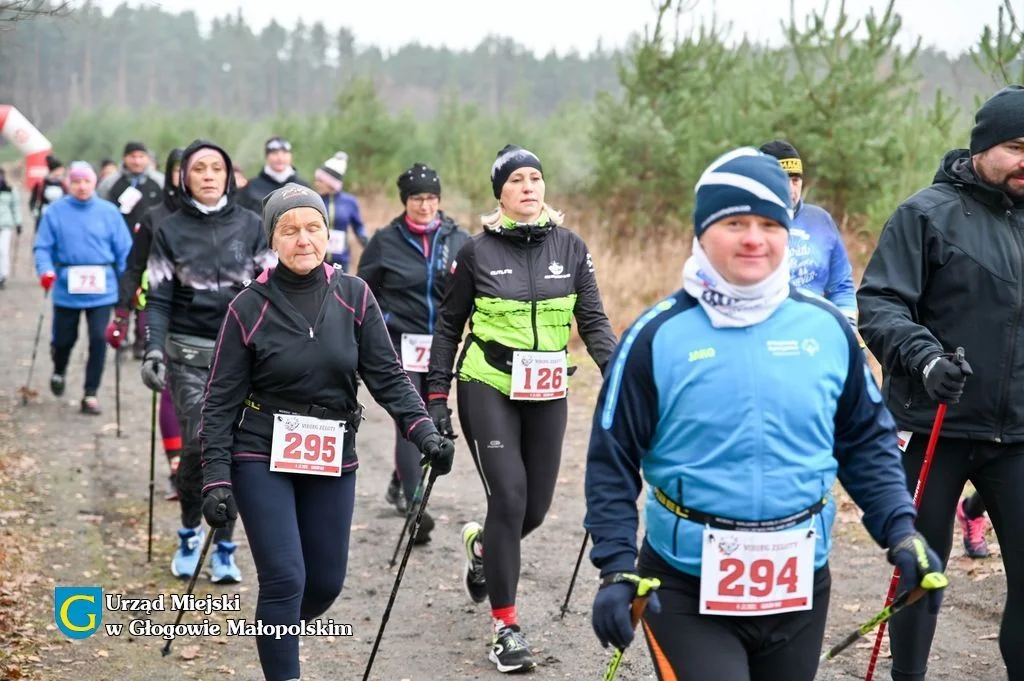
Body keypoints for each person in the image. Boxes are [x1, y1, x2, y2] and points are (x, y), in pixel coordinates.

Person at [584, 147, 947, 681]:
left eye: (769, 223)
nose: (754, 238)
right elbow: (611, 458)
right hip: (687, 588)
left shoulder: (826, 330)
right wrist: (616, 567)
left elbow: (864, 440)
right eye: (735, 222)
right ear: (703, 232)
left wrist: (900, 530)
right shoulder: (655, 336)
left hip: (799, 583)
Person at [198, 183, 455, 681]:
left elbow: (388, 376)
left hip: (331, 451)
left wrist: (425, 432)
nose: (303, 239)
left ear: (327, 234)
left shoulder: (354, 296)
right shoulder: (247, 307)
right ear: (272, 240)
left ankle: (275, 634)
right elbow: (219, 401)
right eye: (289, 230)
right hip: (260, 451)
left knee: (324, 583)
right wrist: (215, 479)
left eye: (313, 227)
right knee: (285, 578)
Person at [426, 144, 617, 673]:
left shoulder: (572, 247)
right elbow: (448, 326)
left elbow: (594, 322)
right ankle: (505, 628)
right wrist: (436, 397)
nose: (529, 186)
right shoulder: (475, 251)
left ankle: (484, 551)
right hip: (488, 382)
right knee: (509, 499)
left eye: (535, 177)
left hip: (549, 386)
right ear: (501, 194)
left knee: (534, 509)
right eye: (517, 180)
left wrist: (620, 374)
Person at [858, 85, 1024, 681]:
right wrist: (926, 360)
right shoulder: (925, 214)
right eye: (1015, 146)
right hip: (936, 426)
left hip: (1017, 435)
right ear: (982, 147)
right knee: (919, 571)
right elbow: (879, 306)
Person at [141, 139, 273, 583]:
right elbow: (157, 300)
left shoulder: (254, 226)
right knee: (200, 445)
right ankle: (188, 532)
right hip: (187, 356)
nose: (210, 175)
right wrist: (153, 348)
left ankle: (225, 547)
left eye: (218, 167)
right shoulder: (169, 229)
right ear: (185, 178)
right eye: (200, 169)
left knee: (234, 450)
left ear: (231, 175)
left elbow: (273, 292)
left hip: (243, 356)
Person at [358, 162, 469, 539]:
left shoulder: (458, 239)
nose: (425, 205)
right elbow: (363, 292)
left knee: (430, 418)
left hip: (441, 343)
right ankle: (416, 505)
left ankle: (397, 482)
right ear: (405, 201)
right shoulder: (385, 241)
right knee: (411, 416)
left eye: (432, 198)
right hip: (399, 342)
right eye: (418, 199)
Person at [106, 147, 186, 499]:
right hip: (158, 310)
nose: (190, 177)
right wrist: (122, 314)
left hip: (211, 321)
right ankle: (176, 465)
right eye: (181, 170)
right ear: (168, 174)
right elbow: (134, 267)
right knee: (169, 388)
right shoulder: (154, 216)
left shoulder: (232, 220)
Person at [32, 161, 132, 414]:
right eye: (76, 181)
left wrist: (128, 283)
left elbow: (125, 250)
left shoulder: (109, 212)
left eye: (86, 181)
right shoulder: (55, 212)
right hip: (67, 285)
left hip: (103, 286)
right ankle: (59, 368)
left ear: (94, 183)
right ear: (68, 183)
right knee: (65, 340)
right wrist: (46, 270)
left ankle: (90, 393)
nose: (82, 187)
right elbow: (42, 246)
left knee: (99, 338)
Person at [758, 140, 857, 323]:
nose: (790, 189)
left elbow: (841, 286)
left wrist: (847, 329)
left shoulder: (820, 220)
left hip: (815, 334)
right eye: (782, 179)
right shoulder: (746, 228)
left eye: (795, 180)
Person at [312, 152, 368, 272]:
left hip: (341, 259)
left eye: (321, 181)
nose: (316, 184)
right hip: (316, 257)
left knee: (339, 289)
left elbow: (358, 226)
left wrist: (364, 239)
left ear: (331, 183)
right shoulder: (313, 200)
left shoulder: (349, 202)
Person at [98, 141, 164, 212]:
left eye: (141, 156)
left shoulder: (161, 181)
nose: (137, 162)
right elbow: (101, 207)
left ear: (147, 158)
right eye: (133, 156)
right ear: (124, 158)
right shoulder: (109, 183)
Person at [242, 136, 309, 206]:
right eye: (275, 153)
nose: (280, 158)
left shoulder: (303, 187)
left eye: (284, 153)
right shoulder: (251, 187)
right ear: (267, 157)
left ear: (291, 156)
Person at [0, 168, 23, 289]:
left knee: (3, 251)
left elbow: (16, 207)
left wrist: (18, 223)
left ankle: (3, 275)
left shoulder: (10, 190)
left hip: (5, 225)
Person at [30, 155, 66, 227]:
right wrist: (35, 212)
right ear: (54, 170)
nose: (63, 171)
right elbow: (33, 200)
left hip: (60, 217)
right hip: (44, 216)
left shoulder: (63, 184)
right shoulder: (41, 183)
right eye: (60, 169)